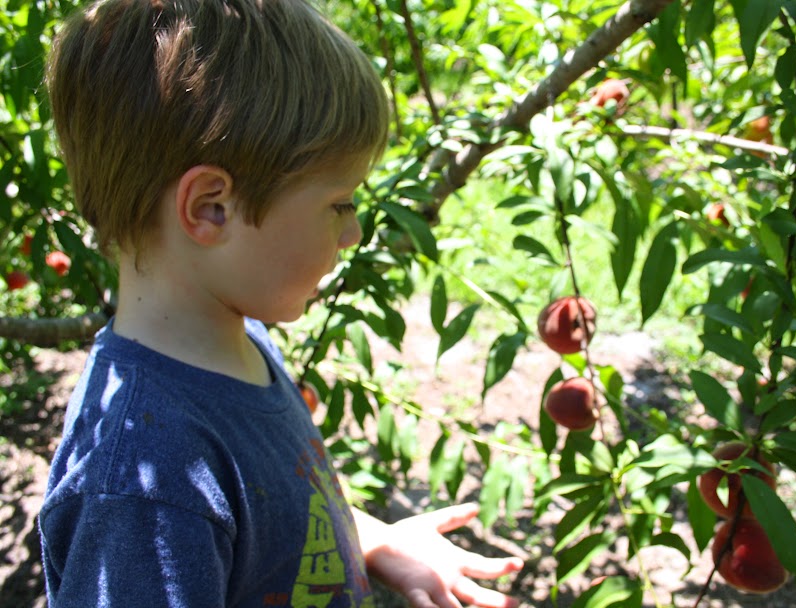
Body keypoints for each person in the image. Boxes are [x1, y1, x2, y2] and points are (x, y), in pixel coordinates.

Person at [38, 1, 524, 606]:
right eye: (339, 204)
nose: (353, 233)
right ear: (211, 208)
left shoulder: (239, 340)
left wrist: (371, 540)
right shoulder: (145, 492)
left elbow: (278, 517)